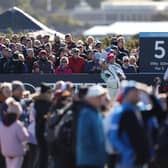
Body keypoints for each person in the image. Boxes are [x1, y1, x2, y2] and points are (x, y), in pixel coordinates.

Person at [76, 85, 106, 168]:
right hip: (88, 161)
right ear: (91, 97)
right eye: (98, 97)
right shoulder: (86, 113)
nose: (101, 100)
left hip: (96, 160)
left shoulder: (96, 112)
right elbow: (84, 138)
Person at [0, 97, 31, 168]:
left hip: (6, 151)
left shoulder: (2, 124)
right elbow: (24, 137)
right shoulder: (17, 124)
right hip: (17, 151)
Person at [33, 83, 53, 168]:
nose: (51, 94)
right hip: (42, 131)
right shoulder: (42, 103)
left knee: (44, 154)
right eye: (49, 92)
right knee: (44, 154)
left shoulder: (40, 102)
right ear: (45, 93)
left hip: (41, 130)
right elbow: (45, 116)